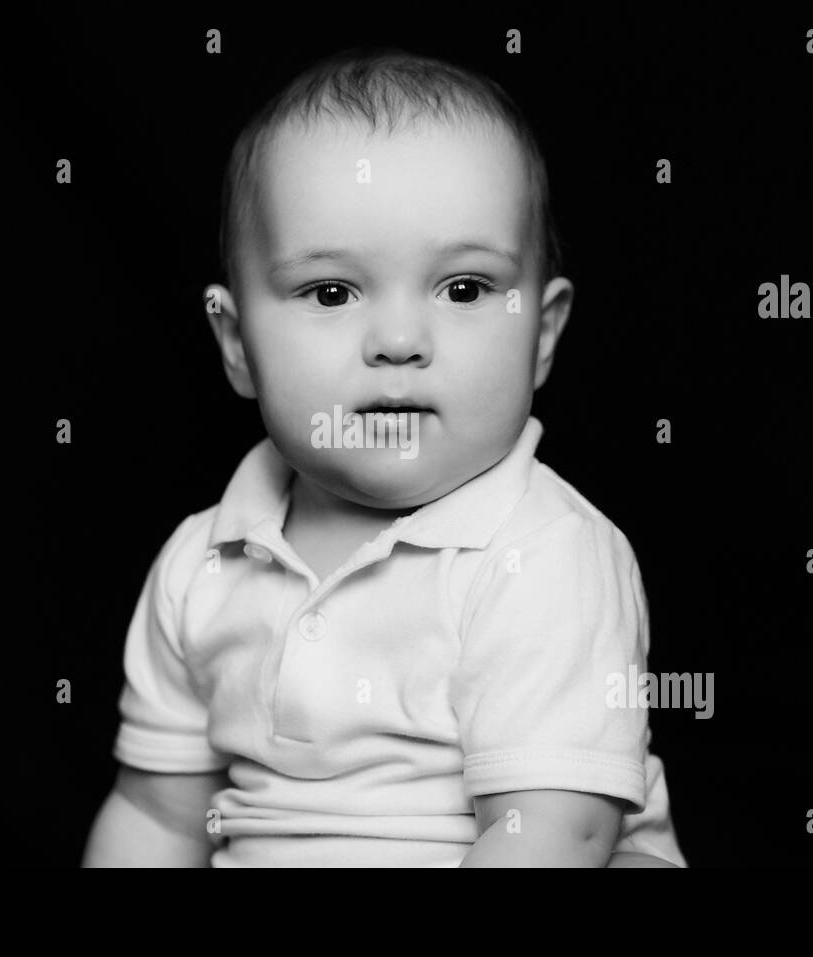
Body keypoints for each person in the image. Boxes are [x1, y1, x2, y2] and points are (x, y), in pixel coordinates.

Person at [83, 46, 686, 867]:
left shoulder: (543, 554)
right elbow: (156, 817)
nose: (399, 342)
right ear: (236, 342)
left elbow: (552, 833)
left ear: (542, 335)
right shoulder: (203, 564)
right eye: (331, 292)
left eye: (465, 288)